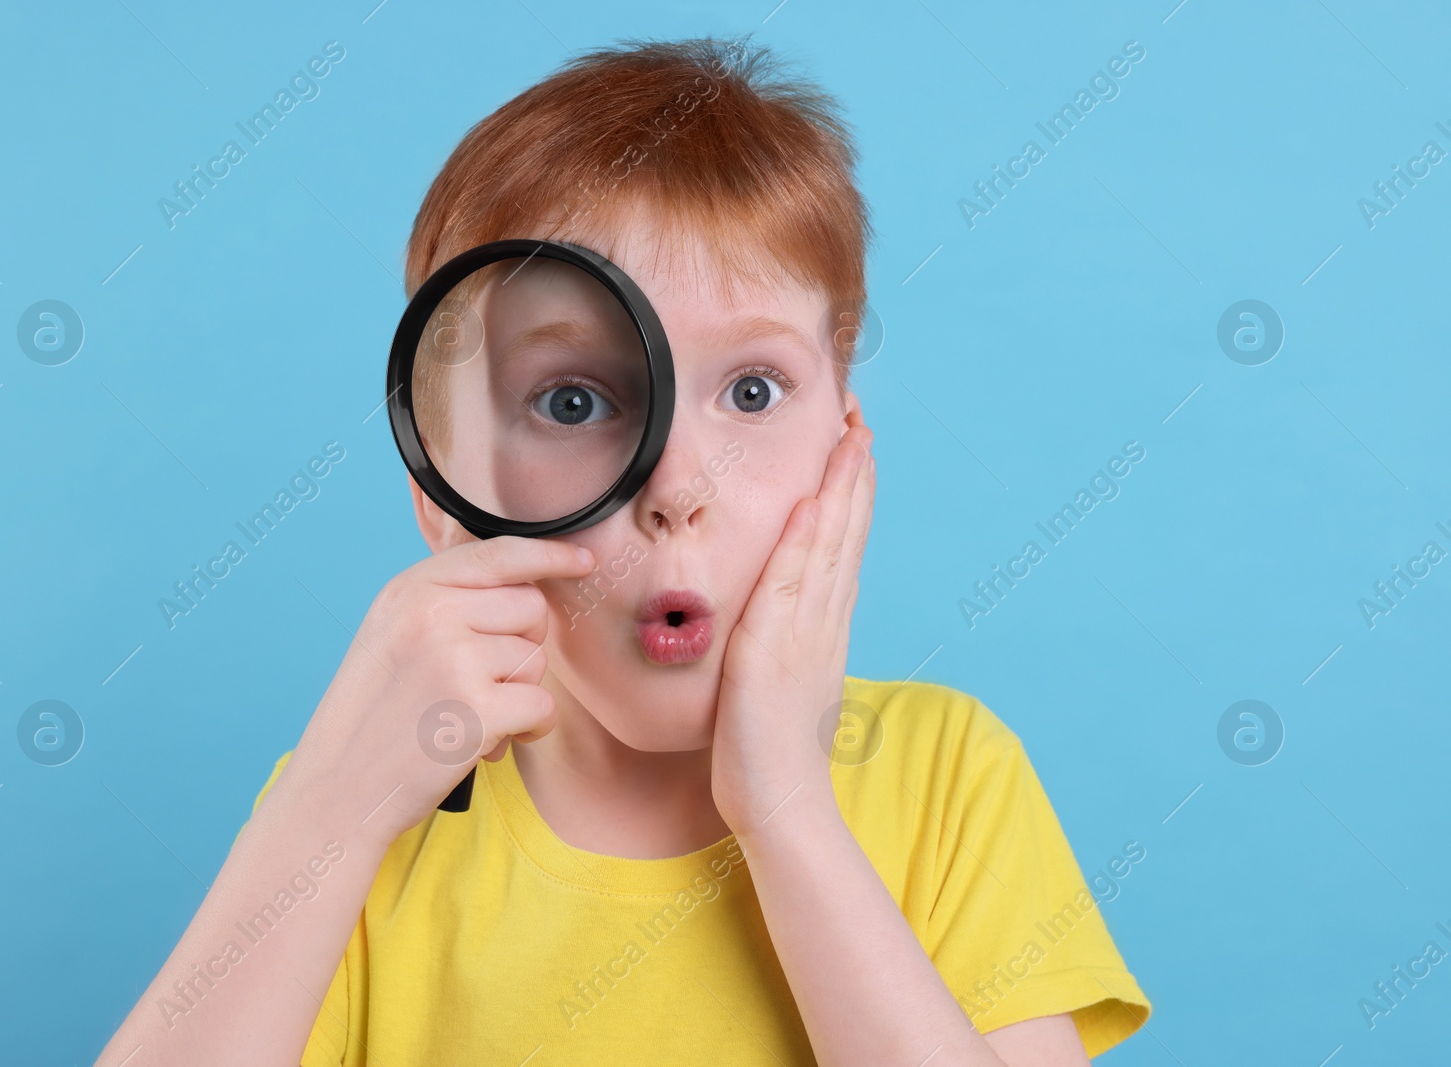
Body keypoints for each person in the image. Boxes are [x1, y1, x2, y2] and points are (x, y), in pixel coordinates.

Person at [95, 35, 1149, 1066]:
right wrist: (324, 809)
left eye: (751, 390)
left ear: (845, 453)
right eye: (572, 400)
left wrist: (785, 807)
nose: (676, 486)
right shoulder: (372, 799)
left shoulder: (946, 776)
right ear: (443, 496)